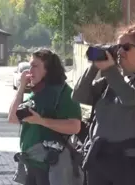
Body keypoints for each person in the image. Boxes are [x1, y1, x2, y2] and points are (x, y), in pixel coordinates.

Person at [72, 22, 135, 185]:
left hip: (128, 163)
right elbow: (79, 95)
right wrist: (94, 67)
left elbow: (128, 97)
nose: (119, 52)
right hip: (99, 160)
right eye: (117, 46)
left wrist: (110, 69)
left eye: (126, 47)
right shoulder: (108, 81)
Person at [8, 48, 83, 185]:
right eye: (29, 65)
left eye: (35, 66)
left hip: (50, 166)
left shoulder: (64, 93)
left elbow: (75, 127)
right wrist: (21, 87)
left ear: (48, 70)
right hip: (31, 163)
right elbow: (13, 118)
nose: (29, 70)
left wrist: (41, 121)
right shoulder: (35, 92)